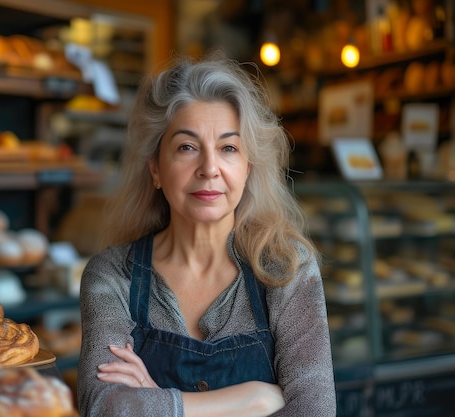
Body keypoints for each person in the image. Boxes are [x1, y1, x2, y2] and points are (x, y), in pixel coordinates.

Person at [76, 53, 336, 416]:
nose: (209, 168)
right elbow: (105, 407)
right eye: (187, 147)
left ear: (248, 167)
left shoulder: (287, 270)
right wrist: (255, 399)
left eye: (229, 148)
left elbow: (315, 410)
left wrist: (156, 396)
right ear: (155, 168)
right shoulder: (112, 276)